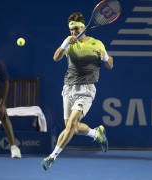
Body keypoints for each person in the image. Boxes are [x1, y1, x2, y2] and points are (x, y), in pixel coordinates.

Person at [41, 12, 114, 170]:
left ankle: (52, 157)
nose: (74, 32)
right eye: (71, 29)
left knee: (72, 124)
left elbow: (110, 64)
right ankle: (96, 134)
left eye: (77, 28)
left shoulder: (96, 43)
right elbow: (56, 57)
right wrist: (65, 44)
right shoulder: (69, 42)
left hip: (87, 89)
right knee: (71, 127)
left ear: (84, 27)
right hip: (68, 89)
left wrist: (105, 57)